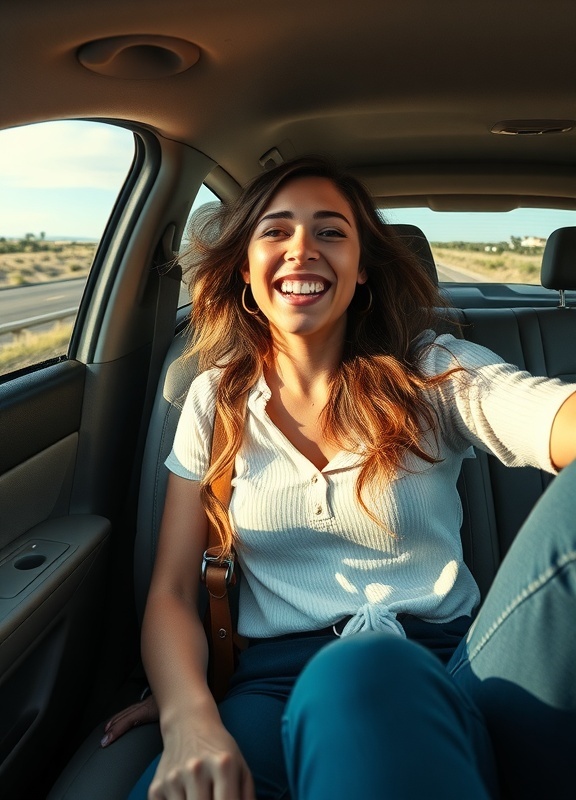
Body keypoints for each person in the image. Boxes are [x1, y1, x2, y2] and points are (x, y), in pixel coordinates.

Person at [105, 156, 576, 800]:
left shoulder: (434, 372)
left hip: (453, 666)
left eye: (331, 232)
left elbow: (550, 414)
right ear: (246, 268)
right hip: (272, 688)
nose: (303, 249)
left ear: (362, 272)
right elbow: (172, 592)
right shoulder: (213, 400)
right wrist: (190, 717)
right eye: (276, 231)